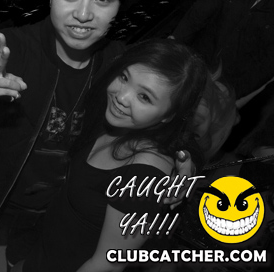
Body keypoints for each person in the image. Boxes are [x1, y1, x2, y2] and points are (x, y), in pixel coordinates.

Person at [0, 0, 195, 272]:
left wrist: (183, 161)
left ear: (119, 1)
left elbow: (164, 114)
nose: (83, 14)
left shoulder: (120, 65)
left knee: (24, 248)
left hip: (60, 204)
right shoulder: (10, 49)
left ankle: (14, 262)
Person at [17, 39, 208, 272]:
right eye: (124, 77)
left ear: (169, 115)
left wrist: (188, 164)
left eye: (144, 97)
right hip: (45, 250)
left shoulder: (143, 179)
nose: (121, 96)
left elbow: (107, 264)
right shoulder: (115, 120)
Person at [171, 0, 274, 151]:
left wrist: (231, 98)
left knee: (187, 151)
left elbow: (265, 68)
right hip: (186, 76)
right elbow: (192, 21)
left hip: (222, 99)